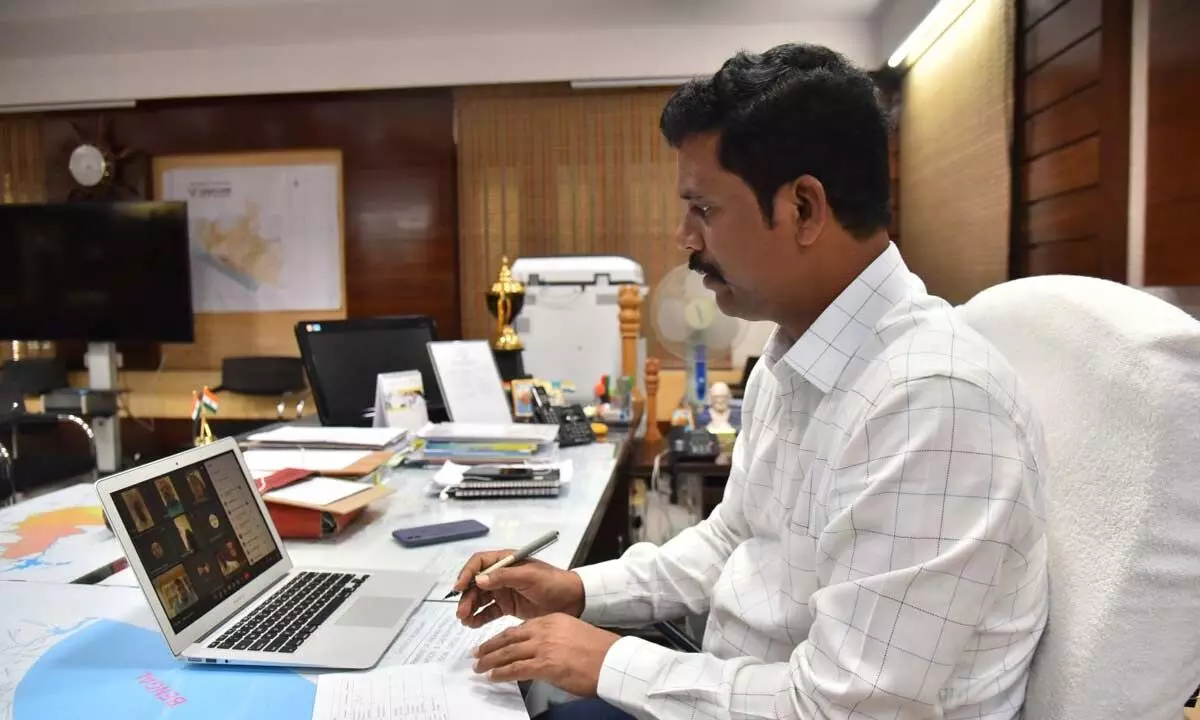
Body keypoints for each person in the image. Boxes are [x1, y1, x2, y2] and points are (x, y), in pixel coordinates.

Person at [454, 42, 1048, 720]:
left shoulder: (931, 401)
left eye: (702, 209)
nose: (684, 238)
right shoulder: (795, 354)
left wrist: (610, 661)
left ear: (803, 208)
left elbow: (846, 709)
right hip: (742, 680)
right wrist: (576, 590)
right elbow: (734, 539)